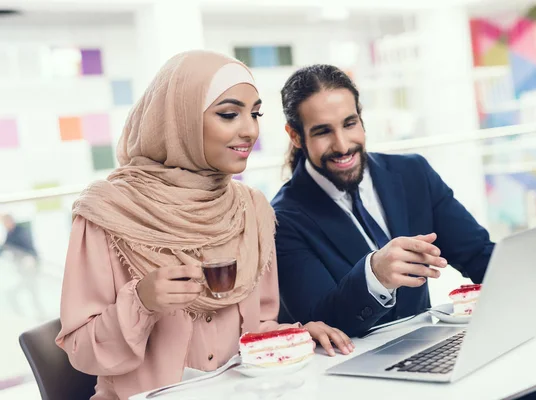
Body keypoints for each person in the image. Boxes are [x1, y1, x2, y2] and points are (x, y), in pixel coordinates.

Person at [55, 52, 353, 400]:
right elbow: (82, 351)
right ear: (178, 120)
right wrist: (141, 301)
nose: (250, 130)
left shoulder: (250, 210)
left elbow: (256, 329)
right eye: (229, 114)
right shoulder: (108, 212)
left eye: (255, 114)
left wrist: (298, 334)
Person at [272, 64, 536, 400]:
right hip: (359, 381)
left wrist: (524, 290)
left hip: (431, 354)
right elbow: (322, 320)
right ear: (296, 136)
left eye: (350, 123)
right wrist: (374, 275)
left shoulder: (412, 173)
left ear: (361, 117)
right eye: (322, 131)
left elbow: (475, 252)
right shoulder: (284, 217)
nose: (343, 144)